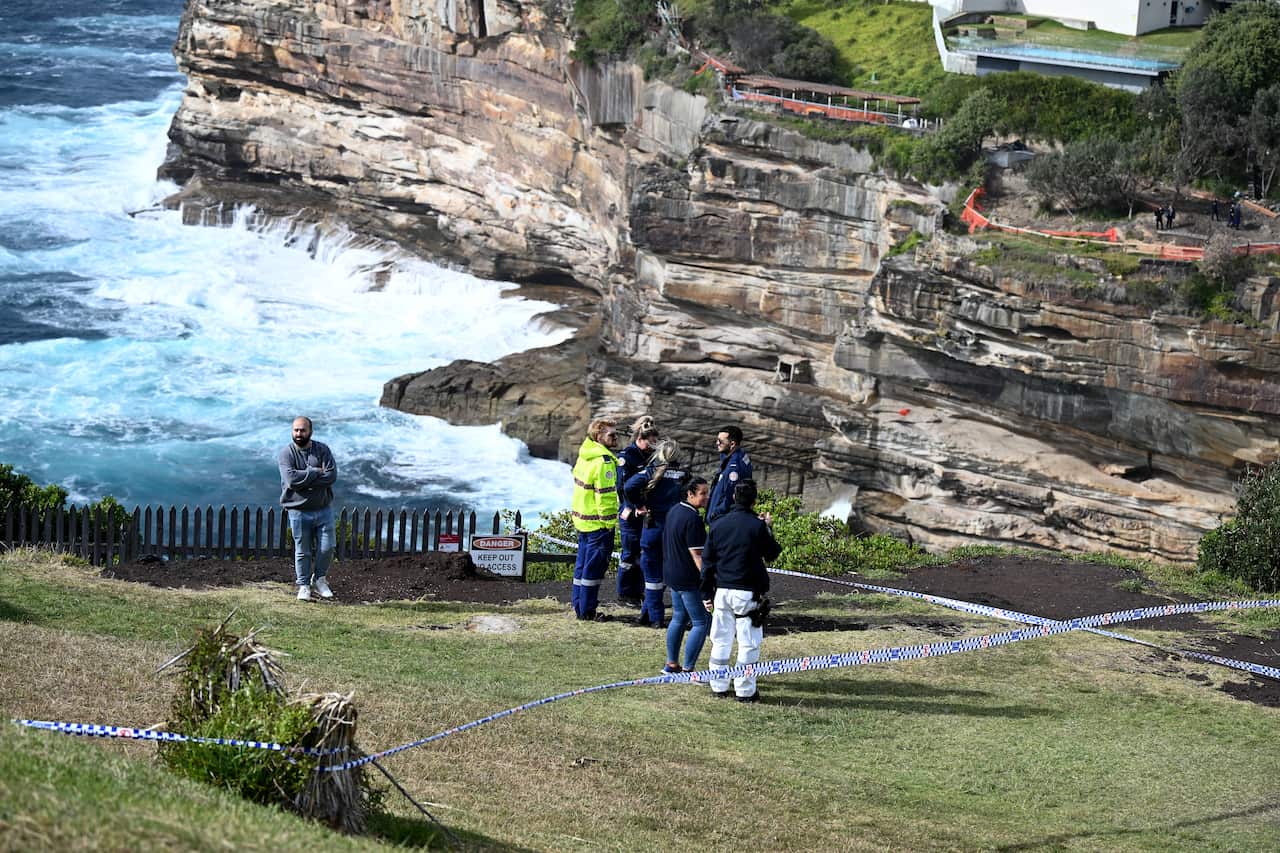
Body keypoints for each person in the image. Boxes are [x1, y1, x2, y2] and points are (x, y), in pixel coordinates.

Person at [700, 479, 781, 702]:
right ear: (754, 501)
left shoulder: (718, 524)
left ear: (734, 498)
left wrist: (706, 593)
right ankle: (745, 691)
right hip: (747, 591)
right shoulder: (756, 526)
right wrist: (768, 527)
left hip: (722, 590)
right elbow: (772, 553)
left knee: (720, 639)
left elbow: (707, 562)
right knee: (748, 642)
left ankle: (718, 686)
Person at [623, 439, 687, 628]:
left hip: (653, 528)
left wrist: (639, 505)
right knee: (664, 574)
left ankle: (655, 617)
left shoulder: (652, 472)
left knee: (651, 574)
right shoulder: (685, 475)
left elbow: (628, 487)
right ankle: (647, 613)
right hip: (675, 531)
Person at [278, 416, 338, 601]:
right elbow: (291, 481)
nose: (298, 434)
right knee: (303, 550)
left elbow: (331, 476)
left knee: (327, 547)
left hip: (323, 509)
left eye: (302, 430)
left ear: (310, 431)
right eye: (296, 430)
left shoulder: (322, 450)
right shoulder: (286, 453)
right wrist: (314, 472)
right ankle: (303, 585)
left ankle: (319, 579)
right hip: (298, 510)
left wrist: (304, 477)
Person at [570, 418, 621, 620]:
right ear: (598, 436)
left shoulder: (585, 455)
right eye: (611, 434)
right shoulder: (604, 463)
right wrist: (609, 524)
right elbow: (606, 497)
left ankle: (579, 606)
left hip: (582, 520)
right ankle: (587, 611)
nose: (616, 437)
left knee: (582, 566)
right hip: (598, 524)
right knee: (593, 569)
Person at [661, 476, 711, 674]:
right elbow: (698, 555)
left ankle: (671, 663)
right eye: (703, 494)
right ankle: (688, 669)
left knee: (679, 618)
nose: (706, 498)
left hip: (672, 574)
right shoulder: (693, 519)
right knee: (701, 622)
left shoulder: (674, 510)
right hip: (687, 578)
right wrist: (709, 580)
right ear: (690, 494)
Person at [616, 416, 659, 609]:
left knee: (644, 553)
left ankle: (638, 591)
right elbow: (622, 487)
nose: (654, 444)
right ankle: (625, 593)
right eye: (651, 440)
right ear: (641, 438)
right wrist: (636, 507)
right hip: (631, 512)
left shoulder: (650, 456)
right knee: (629, 554)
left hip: (647, 511)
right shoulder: (627, 456)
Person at [707, 425, 753, 523]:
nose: (717, 443)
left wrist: (714, 514)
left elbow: (730, 496)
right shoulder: (740, 455)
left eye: (720, 441)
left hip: (722, 520)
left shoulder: (734, 467)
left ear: (732, 444)